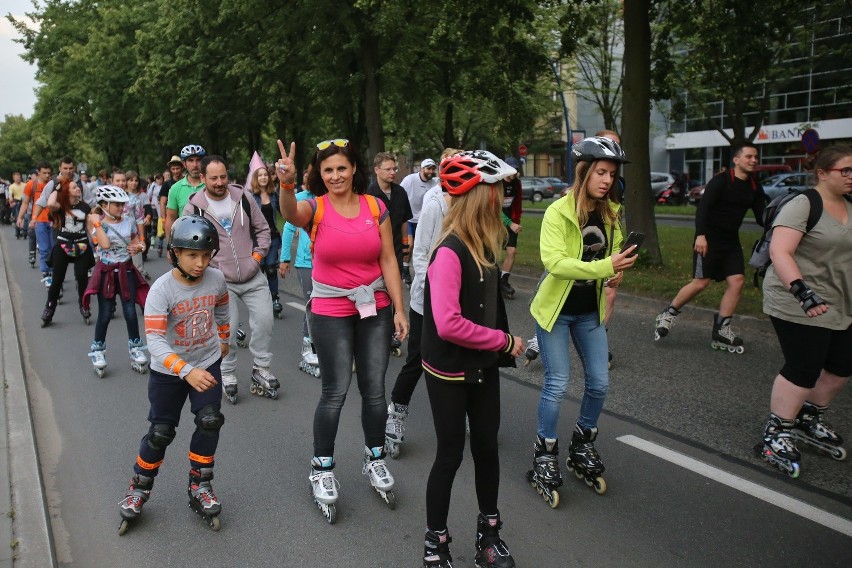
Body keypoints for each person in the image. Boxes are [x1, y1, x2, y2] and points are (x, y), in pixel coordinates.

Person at [275, 137, 409, 523]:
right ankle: (322, 466)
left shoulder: (375, 206)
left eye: (341, 168)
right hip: (331, 309)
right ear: (319, 174)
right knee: (335, 392)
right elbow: (290, 214)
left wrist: (399, 309)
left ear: (354, 170)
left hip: (375, 307)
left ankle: (374, 457)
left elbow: (388, 258)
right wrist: (286, 183)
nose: (335, 175)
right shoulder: (314, 208)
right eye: (327, 170)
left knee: (375, 390)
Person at [419, 151, 524, 568]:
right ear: (480, 194)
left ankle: (489, 534)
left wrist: (498, 345)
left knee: (487, 449)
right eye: (497, 188)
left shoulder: (484, 244)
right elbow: (446, 323)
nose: (502, 196)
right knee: (449, 454)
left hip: (482, 366)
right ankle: (435, 542)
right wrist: (503, 340)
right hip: (448, 369)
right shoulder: (450, 251)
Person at [528, 136, 637, 506]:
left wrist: (617, 269)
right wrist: (607, 265)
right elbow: (554, 263)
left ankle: (582, 443)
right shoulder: (557, 212)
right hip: (556, 312)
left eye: (612, 174)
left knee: (600, 383)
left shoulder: (609, 213)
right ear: (584, 172)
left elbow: (615, 248)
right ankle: (544, 452)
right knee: (557, 383)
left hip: (589, 311)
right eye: (601, 172)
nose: (607, 180)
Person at [117, 214, 230, 534]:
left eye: (206, 256)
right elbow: (153, 341)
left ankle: (200, 485)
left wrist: (223, 338)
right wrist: (186, 371)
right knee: (161, 432)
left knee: (210, 420)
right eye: (192, 255)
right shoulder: (161, 290)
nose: (200, 263)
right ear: (174, 254)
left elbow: (221, 306)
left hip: (205, 361)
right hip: (168, 370)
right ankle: (138, 487)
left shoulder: (216, 278)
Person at [755, 145, 852, 477]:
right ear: (822, 173)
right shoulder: (804, 204)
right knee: (804, 366)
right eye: (846, 171)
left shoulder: (851, 206)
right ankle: (776, 433)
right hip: (796, 299)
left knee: (842, 365)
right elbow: (782, 252)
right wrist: (803, 292)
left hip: (840, 300)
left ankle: (807, 419)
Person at [384, 147, 462, 459]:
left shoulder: (471, 203)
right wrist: (430, 290)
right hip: (428, 295)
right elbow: (422, 253)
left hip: (459, 294)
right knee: (418, 358)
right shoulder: (434, 203)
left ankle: (461, 411)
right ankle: (396, 412)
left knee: (458, 356)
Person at [654, 143, 766, 351]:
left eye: (756, 157)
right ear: (736, 160)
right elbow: (703, 209)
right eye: (749, 156)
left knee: (737, 281)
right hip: (708, 239)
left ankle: (722, 329)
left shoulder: (753, 186)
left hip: (730, 241)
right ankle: (669, 313)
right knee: (700, 283)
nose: (754, 160)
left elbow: (762, 216)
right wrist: (701, 235)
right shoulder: (721, 181)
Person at [185, 156, 277, 404]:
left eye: (223, 176)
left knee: (265, 321)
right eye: (213, 178)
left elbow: (263, 229)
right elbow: (186, 244)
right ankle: (227, 374)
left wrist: (257, 257)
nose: (219, 182)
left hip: (253, 274)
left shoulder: (243, 197)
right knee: (226, 331)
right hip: (220, 281)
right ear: (202, 178)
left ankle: (261, 369)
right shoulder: (194, 207)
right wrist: (208, 267)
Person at [82, 186, 150, 378]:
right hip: (107, 273)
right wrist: (96, 224)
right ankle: (97, 350)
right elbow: (103, 245)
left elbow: (138, 242)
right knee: (104, 312)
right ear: (104, 205)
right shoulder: (97, 224)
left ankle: (136, 347)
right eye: (117, 205)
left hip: (126, 270)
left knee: (130, 311)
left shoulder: (128, 222)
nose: (122, 208)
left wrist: (139, 247)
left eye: (122, 204)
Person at [367, 151, 413, 356]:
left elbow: (404, 219)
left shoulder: (400, 192)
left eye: (394, 169)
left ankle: (392, 333)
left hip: (394, 249)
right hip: (372, 252)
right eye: (388, 169)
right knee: (376, 293)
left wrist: (406, 243)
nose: (393, 172)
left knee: (394, 292)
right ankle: (372, 332)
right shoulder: (367, 193)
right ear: (377, 170)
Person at [280, 166, 320, 377]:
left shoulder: (330, 197)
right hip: (306, 261)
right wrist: (284, 258)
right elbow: (288, 228)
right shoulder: (302, 198)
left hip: (327, 262)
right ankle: (308, 347)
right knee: (311, 305)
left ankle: (328, 348)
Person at [40, 179, 95, 326]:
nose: (78, 188)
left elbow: (90, 226)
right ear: (67, 191)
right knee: (57, 279)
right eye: (74, 187)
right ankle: (49, 308)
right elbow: (50, 204)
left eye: (78, 186)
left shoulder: (85, 207)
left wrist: (96, 243)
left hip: (82, 245)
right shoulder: (61, 206)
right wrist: (58, 189)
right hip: (63, 245)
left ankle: (84, 305)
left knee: (82, 277)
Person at [250, 164, 284, 319]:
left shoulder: (274, 194)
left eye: (265, 175)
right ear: (256, 179)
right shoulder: (251, 197)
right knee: (260, 270)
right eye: (260, 175)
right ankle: (261, 301)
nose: (263, 177)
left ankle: (275, 298)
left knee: (271, 268)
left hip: (273, 237)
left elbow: (283, 213)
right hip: (257, 240)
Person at [399, 158, 439, 285]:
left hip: (424, 219)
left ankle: (421, 272)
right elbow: (400, 193)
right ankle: (405, 268)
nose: (430, 171)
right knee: (410, 245)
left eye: (433, 169)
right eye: (428, 168)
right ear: (422, 169)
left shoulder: (435, 182)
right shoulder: (410, 180)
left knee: (424, 247)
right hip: (410, 218)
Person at [165, 145, 206, 243]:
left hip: (210, 241)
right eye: (190, 160)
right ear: (184, 164)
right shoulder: (175, 188)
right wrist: (170, 246)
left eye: (198, 160)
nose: (195, 165)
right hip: (185, 241)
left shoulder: (211, 185)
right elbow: (171, 219)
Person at [17, 163, 52, 271]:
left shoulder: (54, 184)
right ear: (38, 173)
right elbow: (25, 203)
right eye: (44, 173)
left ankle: (56, 274)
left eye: (49, 173)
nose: (47, 175)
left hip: (54, 221)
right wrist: (20, 217)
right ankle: (46, 274)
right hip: (39, 220)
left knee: (54, 250)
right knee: (44, 249)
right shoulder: (31, 185)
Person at [498, 171, 523, 299]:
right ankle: (490, 281)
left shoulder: (516, 183)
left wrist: (516, 221)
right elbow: (494, 207)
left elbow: (518, 203)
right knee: (492, 253)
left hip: (511, 221)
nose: (513, 173)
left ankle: (503, 281)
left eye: (516, 170)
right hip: (495, 221)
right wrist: (509, 223)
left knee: (512, 251)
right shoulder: (497, 182)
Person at [125, 171, 151, 279]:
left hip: (134, 235)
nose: (134, 183)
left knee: (138, 266)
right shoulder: (117, 196)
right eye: (131, 180)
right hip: (118, 237)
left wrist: (142, 239)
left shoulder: (138, 197)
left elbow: (140, 218)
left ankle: (139, 287)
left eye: (136, 180)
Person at [158, 156, 185, 255]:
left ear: (182, 168)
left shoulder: (187, 182)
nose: (175, 171)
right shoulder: (167, 184)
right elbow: (162, 202)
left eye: (177, 168)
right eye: (173, 169)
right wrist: (164, 220)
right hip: (171, 216)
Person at [8, 171, 26, 239]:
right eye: (16, 178)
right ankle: (17, 232)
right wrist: (11, 201)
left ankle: (25, 231)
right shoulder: (12, 186)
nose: (18, 179)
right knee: (17, 216)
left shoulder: (24, 185)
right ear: (13, 178)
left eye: (19, 177)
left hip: (24, 201)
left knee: (26, 217)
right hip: (17, 202)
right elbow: (10, 195)